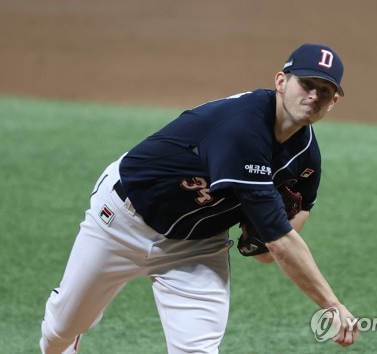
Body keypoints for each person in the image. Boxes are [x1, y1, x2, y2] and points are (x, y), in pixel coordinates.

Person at [40, 42, 359, 354]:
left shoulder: (306, 157)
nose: (313, 95)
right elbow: (280, 243)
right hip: (122, 219)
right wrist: (331, 304)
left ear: (333, 103)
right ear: (280, 81)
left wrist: (265, 238)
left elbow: (276, 241)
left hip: (196, 246)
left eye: (325, 91)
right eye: (306, 84)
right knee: (63, 329)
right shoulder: (242, 127)